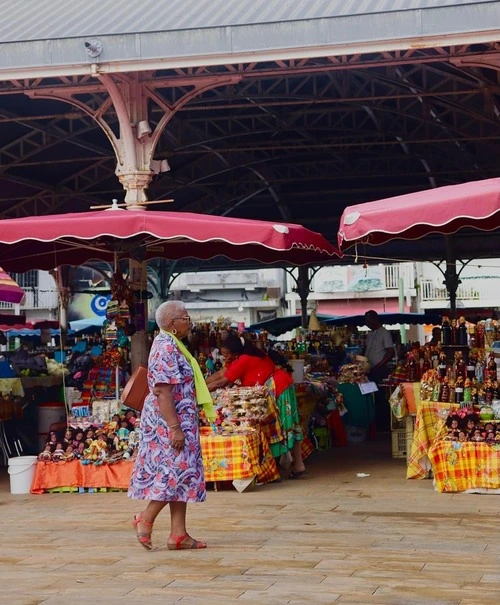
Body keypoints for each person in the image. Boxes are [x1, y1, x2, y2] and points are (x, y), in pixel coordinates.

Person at [128, 301, 214, 551]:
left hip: (179, 419)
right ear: (172, 324)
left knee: (183, 473)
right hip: (170, 421)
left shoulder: (173, 345)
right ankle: (146, 517)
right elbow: (163, 391)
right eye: (185, 318)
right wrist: (174, 427)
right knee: (175, 472)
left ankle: (179, 534)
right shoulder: (165, 347)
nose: (190, 322)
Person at [267, 349, 306, 479]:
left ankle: (273, 471)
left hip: (282, 401)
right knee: (293, 428)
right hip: (289, 402)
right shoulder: (285, 373)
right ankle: (299, 464)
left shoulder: (275, 375)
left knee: (278, 430)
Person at [364, 310, 395, 432]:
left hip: (380, 370)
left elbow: (390, 352)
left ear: (374, 319)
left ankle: (384, 425)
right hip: (370, 370)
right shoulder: (371, 334)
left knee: (381, 397)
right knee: (373, 397)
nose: (366, 323)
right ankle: (376, 423)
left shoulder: (384, 333)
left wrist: (379, 365)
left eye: (368, 320)